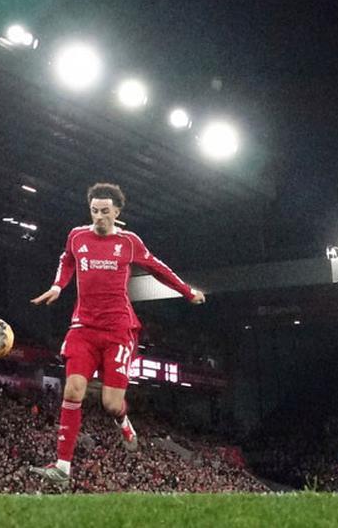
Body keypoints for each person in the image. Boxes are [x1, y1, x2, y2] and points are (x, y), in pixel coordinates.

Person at [28, 182, 206, 486]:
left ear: (117, 212)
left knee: (111, 404)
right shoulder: (77, 236)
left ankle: (123, 420)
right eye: (94, 211)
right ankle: (62, 467)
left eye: (105, 211)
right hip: (83, 327)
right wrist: (59, 285)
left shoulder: (129, 242)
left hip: (118, 331)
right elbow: (67, 259)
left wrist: (187, 291)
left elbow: (157, 267)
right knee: (72, 390)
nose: (99, 216)